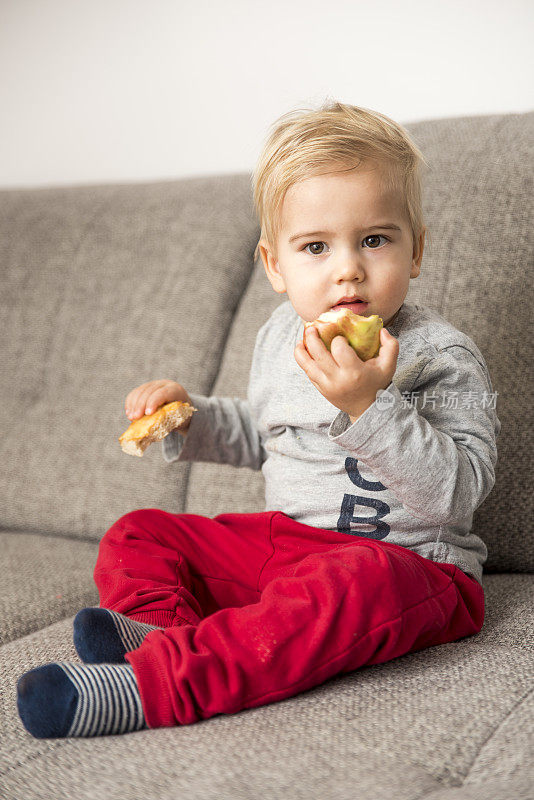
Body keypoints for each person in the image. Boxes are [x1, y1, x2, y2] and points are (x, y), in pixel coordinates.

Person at [17, 100, 500, 739]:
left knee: (357, 577)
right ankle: (164, 633)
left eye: (375, 239)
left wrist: (368, 406)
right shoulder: (279, 339)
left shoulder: (442, 356)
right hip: (288, 548)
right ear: (275, 265)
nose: (348, 267)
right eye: (316, 246)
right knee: (141, 533)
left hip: (409, 565)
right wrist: (187, 418)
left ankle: (157, 684)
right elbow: (265, 433)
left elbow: (459, 492)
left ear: (415, 251)